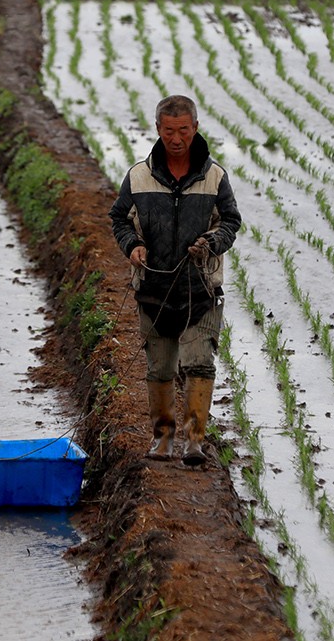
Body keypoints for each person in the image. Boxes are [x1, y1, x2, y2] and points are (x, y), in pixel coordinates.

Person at [109, 95, 241, 466]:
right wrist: (132, 245)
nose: (177, 138)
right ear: (158, 130)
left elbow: (230, 222)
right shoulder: (139, 176)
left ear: (195, 128)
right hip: (153, 288)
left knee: (199, 363)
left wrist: (211, 242)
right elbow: (119, 218)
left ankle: (194, 441)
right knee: (160, 368)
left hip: (200, 288)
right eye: (169, 131)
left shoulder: (214, 177)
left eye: (184, 130)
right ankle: (163, 438)